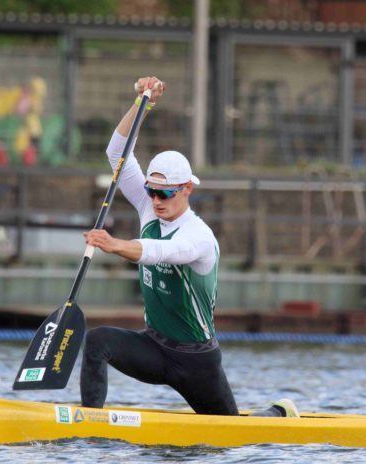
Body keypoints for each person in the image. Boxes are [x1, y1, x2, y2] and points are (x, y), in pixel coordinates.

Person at [80, 76, 298, 418]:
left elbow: (162, 252)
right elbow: (117, 154)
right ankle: (89, 424)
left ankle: (279, 414)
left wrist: (114, 244)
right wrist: (142, 104)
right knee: (97, 341)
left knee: (234, 432)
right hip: (153, 346)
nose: (156, 200)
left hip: (195, 359)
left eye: (165, 193)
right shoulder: (148, 205)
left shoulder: (198, 236)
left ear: (186, 190)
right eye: (152, 191)